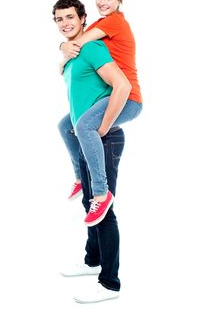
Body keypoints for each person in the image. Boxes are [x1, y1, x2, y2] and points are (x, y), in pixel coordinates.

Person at [57, 0, 142, 226]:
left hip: (128, 96)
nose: (103, 3)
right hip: (112, 92)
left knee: (85, 125)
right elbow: (77, 39)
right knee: (66, 124)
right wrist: (63, 47)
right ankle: (81, 179)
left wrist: (63, 49)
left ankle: (101, 193)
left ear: (119, 1)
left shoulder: (115, 21)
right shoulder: (101, 24)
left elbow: (79, 42)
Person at [61, 127, 125, 303]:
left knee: (104, 212)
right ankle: (93, 261)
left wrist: (97, 130)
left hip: (105, 141)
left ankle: (109, 283)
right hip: (87, 141)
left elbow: (118, 102)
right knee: (90, 204)